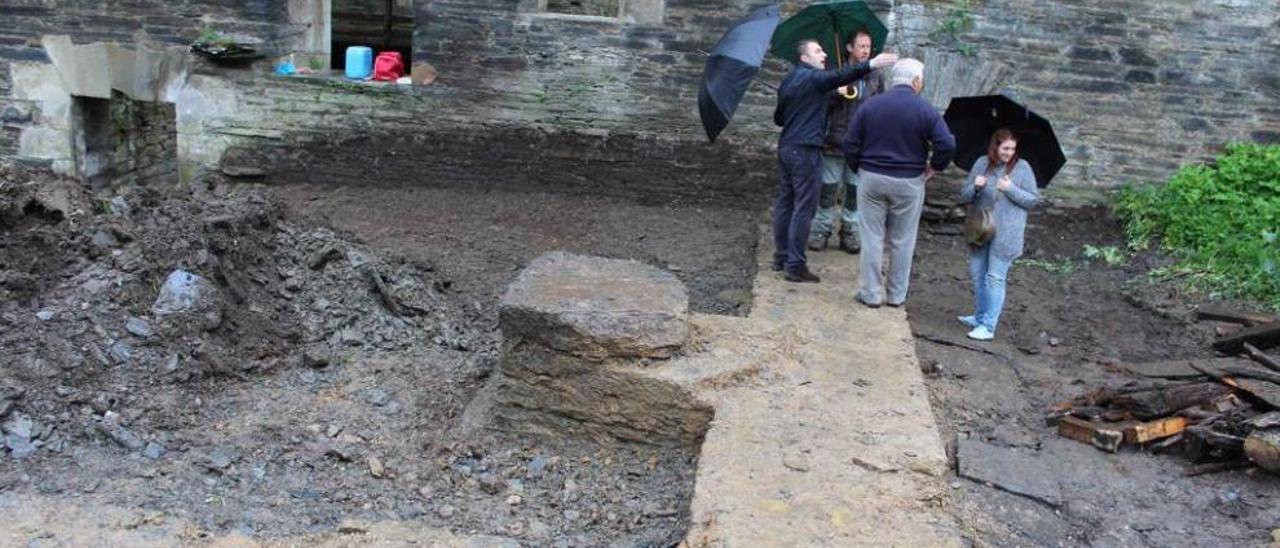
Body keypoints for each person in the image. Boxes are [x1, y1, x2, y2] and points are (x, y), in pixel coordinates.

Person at [773, 40, 897, 283]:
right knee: (804, 208)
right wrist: (872, 63)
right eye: (818, 50)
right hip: (805, 149)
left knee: (786, 203)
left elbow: (779, 118)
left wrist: (808, 103)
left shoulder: (790, 81)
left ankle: (781, 257)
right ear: (804, 58)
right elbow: (841, 75)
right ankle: (795, 265)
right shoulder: (812, 78)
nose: (825, 53)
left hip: (787, 147)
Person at [842, 58, 955, 307]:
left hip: (872, 178)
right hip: (908, 180)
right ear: (916, 81)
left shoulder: (871, 105)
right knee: (902, 240)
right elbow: (947, 144)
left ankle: (870, 293)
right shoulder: (925, 110)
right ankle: (896, 295)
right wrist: (934, 167)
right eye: (921, 80)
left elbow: (850, 143)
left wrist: (860, 168)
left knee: (871, 237)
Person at [957, 129, 1040, 341]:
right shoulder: (982, 164)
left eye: (1012, 149)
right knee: (978, 274)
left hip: (1006, 234)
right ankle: (980, 316)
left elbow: (1032, 200)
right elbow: (963, 196)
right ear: (995, 146)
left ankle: (988, 326)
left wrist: (1011, 189)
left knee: (995, 278)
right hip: (981, 229)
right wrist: (975, 188)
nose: (1009, 153)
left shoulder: (1022, 168)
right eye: (1005, 148)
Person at [809, 29, 885, 255]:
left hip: (861, 146)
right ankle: (821, 229)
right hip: (833, 141)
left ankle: (849, 231)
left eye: (868, 46)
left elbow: (880, 109)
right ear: (850, 47)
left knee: (855, 191)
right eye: (861, 46)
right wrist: (835, 93)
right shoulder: (834, 71)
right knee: (827, 190)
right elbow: (818, 105)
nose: (865, 50)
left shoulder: (876, 76)